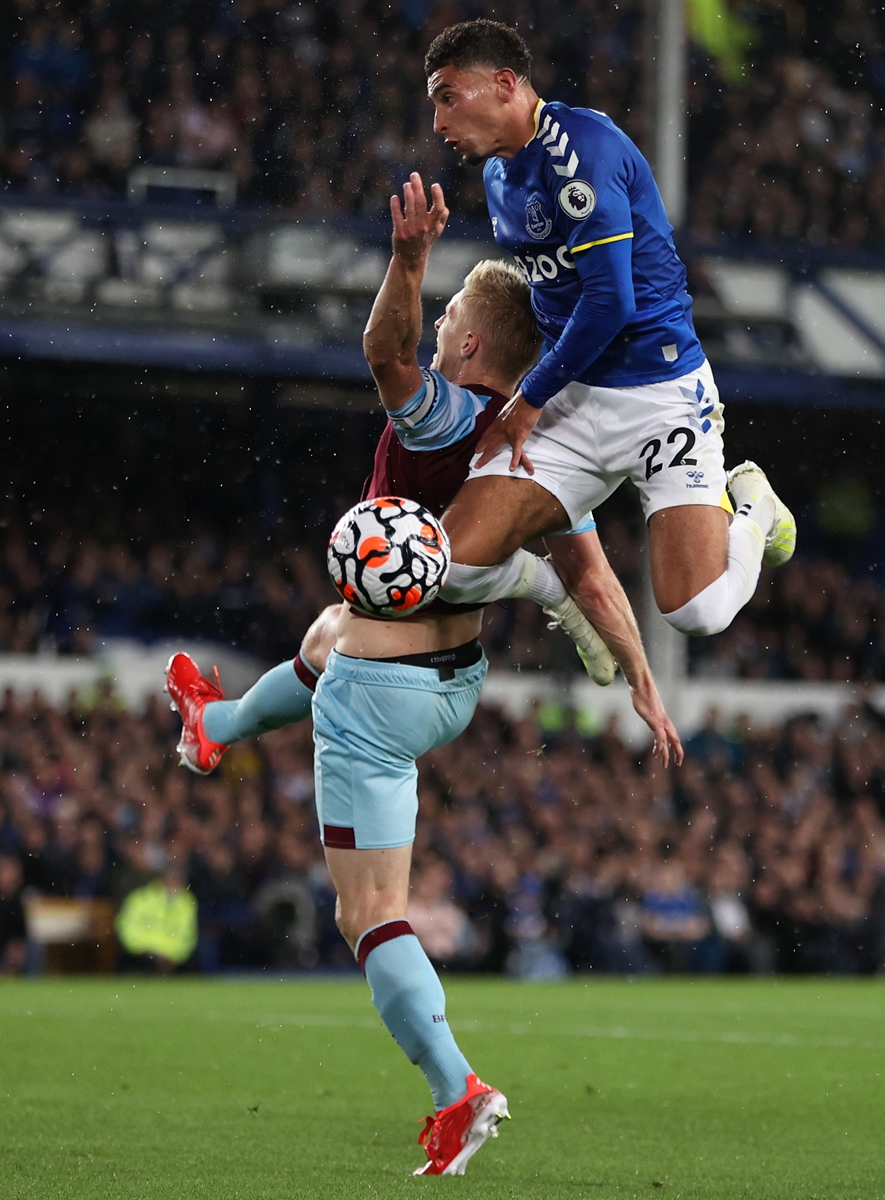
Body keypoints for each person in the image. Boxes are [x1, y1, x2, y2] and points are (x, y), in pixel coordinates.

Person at [167, 174, 682, 1176]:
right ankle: (216, 726)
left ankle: (456, 1089)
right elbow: (595, 577)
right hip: (450, 682)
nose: (440, 323)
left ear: (473, 344)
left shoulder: (443, 418)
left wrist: (407, 260)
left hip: (379, 706)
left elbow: (381, 352)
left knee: (366, 916)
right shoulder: (542, 459)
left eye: (452, 314)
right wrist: (641, 680)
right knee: (327, 630)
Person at [422, 20, 796, 641]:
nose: (438, 123)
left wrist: (526, 399)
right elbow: (552, 290)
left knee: (695, 614)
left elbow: (610, 301)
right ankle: (564, 602)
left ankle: (753, 509)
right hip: (571, 397)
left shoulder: (581, 150)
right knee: (448, 569)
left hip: (660, 394)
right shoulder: (495, 174)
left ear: (506, 85)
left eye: (448, 97)